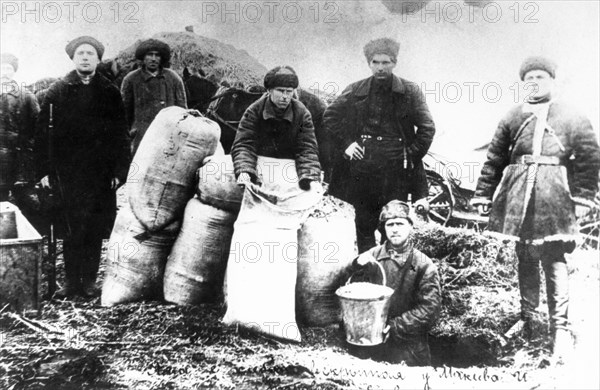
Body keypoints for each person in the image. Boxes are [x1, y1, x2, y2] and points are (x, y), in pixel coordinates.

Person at [471, 56, 600, 363]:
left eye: (541, 77)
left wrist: (583, 198)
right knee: (525, 255)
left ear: (552, 81)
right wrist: (483, 194)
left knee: (553, 255)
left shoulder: (572, 116)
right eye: (529, 78)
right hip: (517, 193)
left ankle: (560, 330)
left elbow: (589, 159)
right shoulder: (512, 116)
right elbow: (494, 160)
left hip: (553, 193)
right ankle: (530, 322)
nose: (535, 82)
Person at [35, 36, 131, 298]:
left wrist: (119, 171)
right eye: (80, 54)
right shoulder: (58, 91)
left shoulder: (110, 92)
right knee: (70, 226)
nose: (85, 57)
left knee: (94, 227)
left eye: (90, 53)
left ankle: (89, 281)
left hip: (100, 172)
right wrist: (43, 171)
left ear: (98, 59)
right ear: (73, 59)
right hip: (67, 172)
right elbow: (42, 134)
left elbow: (121, 134)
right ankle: (71, 281)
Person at [323, 38, 436, 252]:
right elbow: (330, 117)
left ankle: (391, 272)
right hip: (363, 167)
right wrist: (346, 144)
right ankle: (368, 273)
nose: (381, 67)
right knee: (364, 224)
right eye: (376, 62)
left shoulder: (410, 91)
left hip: (396, 170)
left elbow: (427, 128)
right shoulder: (356, 89)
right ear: (369, 64)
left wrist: (409, 156)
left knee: (393, 223)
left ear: (394, 63)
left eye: (386, 62)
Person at [349, 200, 441, 366]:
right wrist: (356, 264)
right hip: (371, 344)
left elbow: (429, 310)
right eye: (390, 225)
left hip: (409, 348)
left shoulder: (423, 264)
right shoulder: (372, 256)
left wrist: (395, 326)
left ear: (410, 227)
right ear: (383, 228)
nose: (395, 229)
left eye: (400, 223)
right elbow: (348, 289)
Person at [231, 66, 322, 191]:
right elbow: (244, 144)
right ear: (269, 90)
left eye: (289, 91)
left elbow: (307, 149)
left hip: (288, 170)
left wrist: (310, 177)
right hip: (259, 167)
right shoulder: (254, 110)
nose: (285, 96)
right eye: (280, 90)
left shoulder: (302, 113)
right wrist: (244, 170)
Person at [121, 38, 187, 154]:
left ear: (162, 58)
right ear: (143, 57)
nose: (153, 59)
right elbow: (124, 113)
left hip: (168, 137)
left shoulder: (173, 78)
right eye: (149, 55)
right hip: (141, 138)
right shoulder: (131, 79)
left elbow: (183, 111)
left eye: (157, 55)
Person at [1, 53, 40, 212]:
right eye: (1, 67)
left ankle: (34, 236)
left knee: (27, 201)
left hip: (20, 161)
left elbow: (38, 127)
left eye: (8, 68)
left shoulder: (27, 96)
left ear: (14, 71)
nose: (4, 72)